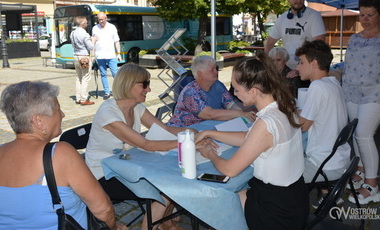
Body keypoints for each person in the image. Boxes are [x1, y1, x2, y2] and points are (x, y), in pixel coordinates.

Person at [195, 53, 308, 230]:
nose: (234, 94)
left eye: (236, 89)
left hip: (275, 209)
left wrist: (208, 152)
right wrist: (210, 133)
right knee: (234, 196)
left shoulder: (265, 123)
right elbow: (251, 139)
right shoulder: (284, 105)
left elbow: (229, 169)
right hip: (295, 196)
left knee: (218, 205)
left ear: (253, 91)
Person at [0, 81, 126, 230]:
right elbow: (103, 209)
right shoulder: (59, 154)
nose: (63, 114)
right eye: (58, 109)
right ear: (38, 121)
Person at [85, 63, 195, 230]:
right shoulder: (108, 112)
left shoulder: (136, 107)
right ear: (128, 84)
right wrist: (189, 141)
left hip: (125, 163)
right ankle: (155, 224)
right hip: (102, 173)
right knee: (167, 185)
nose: (149, 89)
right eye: (144, 84)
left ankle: (165, 222)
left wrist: (193, 133)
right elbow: (146, 144)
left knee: (173, 174)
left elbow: (164, 129)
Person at [295, 40, 350, 206]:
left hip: (325, 165)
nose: (297, 67)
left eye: (301, 62)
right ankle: (328, 195)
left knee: (280, 174)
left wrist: (282, 116)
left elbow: (303, 126)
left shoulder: (317, 87)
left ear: (314, 63)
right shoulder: (333, 83)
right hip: (339, 159)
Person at [342, 0, 380, 205]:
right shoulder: (354, 38)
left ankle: (372, 184)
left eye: (370, 15)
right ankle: (361, 170)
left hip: (375, 93)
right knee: (355, 135)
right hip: (352, 93)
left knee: (363, 134)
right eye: (362, 15)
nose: (365, 19)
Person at [167, 55, 256, 127]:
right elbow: (209, 114)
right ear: (200, 74)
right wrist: (240, 113)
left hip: (206, 127)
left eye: (216, 69)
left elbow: (231, 104)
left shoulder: (217, 85)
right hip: (182, 131)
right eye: (212, 70)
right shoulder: (190, 92)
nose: (216, 72)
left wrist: (252, 109)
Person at [264, 0, 326, 69]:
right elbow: (270, 41)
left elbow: (319, 44)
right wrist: (265, 60)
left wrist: (301, 67)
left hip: (307, 67)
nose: (299, 0)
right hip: (287, 67)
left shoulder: (314, 16)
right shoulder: (282, 18)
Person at [92, 12, 122, 100]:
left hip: (111, 55)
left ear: (106, 18)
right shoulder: (95, 28)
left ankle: (118, 91)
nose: (101, 21)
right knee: (103, 74)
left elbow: (116, 41)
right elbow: (93, 42)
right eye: (99, 20)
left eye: (102, 19)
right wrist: (92, 55)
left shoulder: (112, 27)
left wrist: (119, 53)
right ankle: (107, 92)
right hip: (100, 55)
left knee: (115, 74)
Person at [70, 16, 95, 105]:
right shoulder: (84, 34)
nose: (87, 24)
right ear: (83, 23)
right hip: (84, 57)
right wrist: (94, 40)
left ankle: (78, 97)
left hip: (76, 56)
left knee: (78, 77)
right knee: (85, 77)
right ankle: (84, 98)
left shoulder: (72, 33)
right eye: (86, 23)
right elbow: (91, 46)